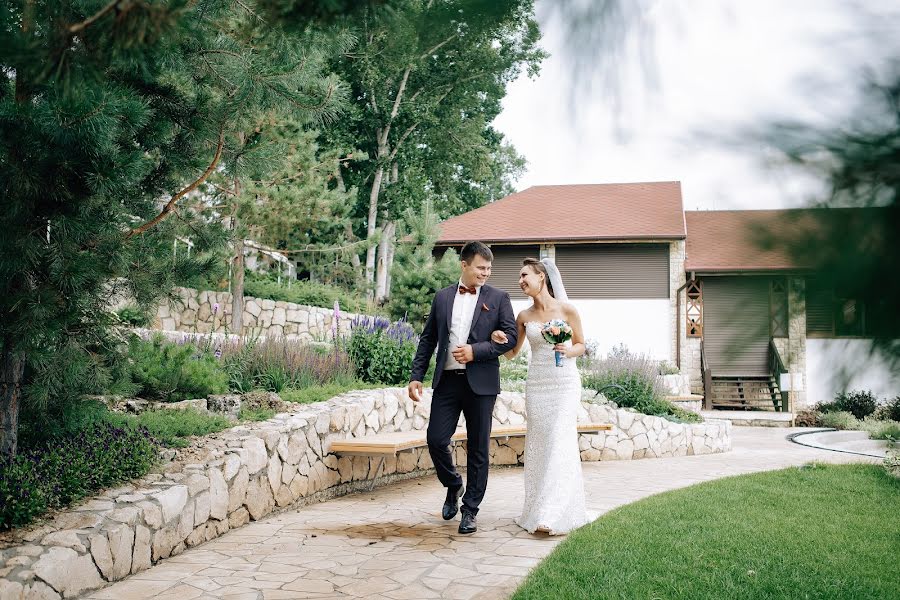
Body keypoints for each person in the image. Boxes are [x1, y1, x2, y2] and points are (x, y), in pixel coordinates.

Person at [408, 241, 518, 535]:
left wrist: (476, 350)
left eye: (489, 268)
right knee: (435, 439)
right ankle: (453, 484)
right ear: (465, 265)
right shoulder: (442, 297)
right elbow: (428, 338)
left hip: (481, 385)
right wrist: (416, 375)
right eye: (481, 267)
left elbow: (510, 339)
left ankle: (470, 510)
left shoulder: (499, 297)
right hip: (447, 381)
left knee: (478, 448)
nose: (486, 273)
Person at [491, 257, 590, 535]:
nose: (520, 281)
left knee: (560, 439)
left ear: (541, 277)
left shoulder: (567, 310)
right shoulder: (523, 317)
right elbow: (512, 354)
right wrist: (499, 341)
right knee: (541, 445)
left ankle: (552, 514)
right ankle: (536, 508)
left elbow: (581, 344)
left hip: (564, 384)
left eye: (524, 276)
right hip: (537, 386)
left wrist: (568, 351)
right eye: (519, 277)